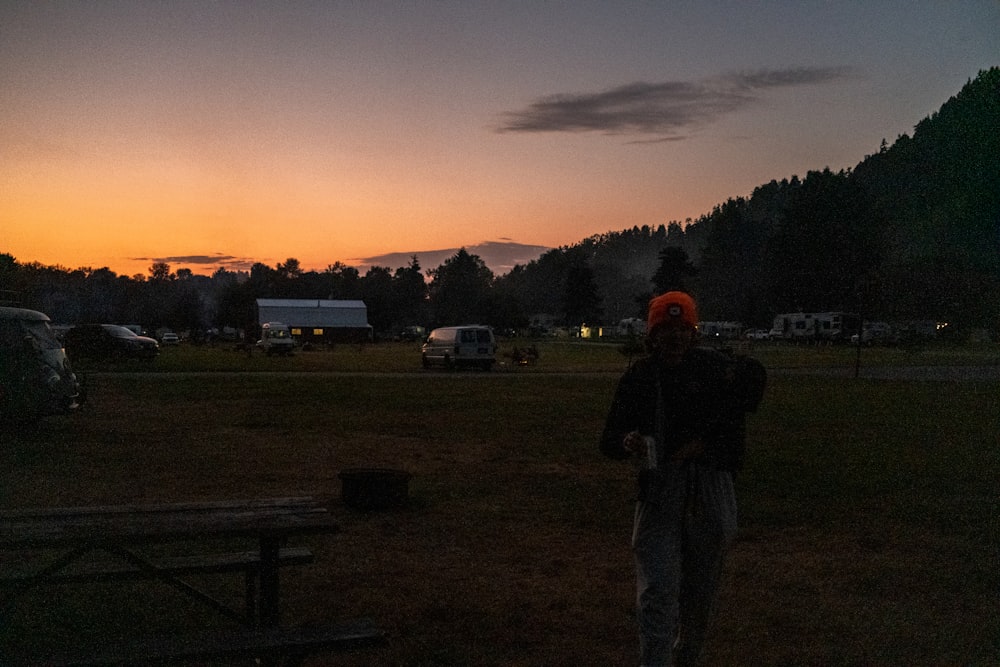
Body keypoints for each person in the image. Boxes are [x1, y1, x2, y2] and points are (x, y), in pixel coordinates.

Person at [600, 291, 765, 666]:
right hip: (659, 493)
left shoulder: (713, 369)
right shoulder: (640, 377)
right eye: (665, 328)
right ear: (652, 334)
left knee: (700, 591)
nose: (674, 336)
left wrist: (700, 447)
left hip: (709, 491)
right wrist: (628, 441)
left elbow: (753, 387)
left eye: (682, 328)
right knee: (657, 590)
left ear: (693, 333)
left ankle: (686, 656)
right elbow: (608, 441)